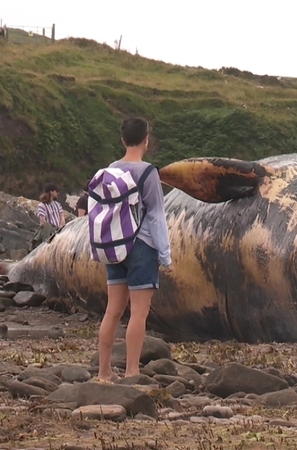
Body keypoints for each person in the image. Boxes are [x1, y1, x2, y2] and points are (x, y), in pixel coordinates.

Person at [96, 117, 171, 382]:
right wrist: (165, 254)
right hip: (142, 246)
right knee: (138, 313)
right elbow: (156, 216)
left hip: (115, 246)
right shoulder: (148, 172)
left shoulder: (110, 170)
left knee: (112, 311)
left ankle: (104, 372)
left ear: (123, 140)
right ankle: (132, 371)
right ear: (146, 140)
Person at [31, 183, 66, 249]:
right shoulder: (42, 205)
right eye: (56, 191)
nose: (57, 193)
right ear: (51, 192)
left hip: (58, 229)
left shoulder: (57, 205)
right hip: (48, 231)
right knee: (47, 227)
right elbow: (42, 222)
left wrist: (60, 226)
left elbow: (62, 216)